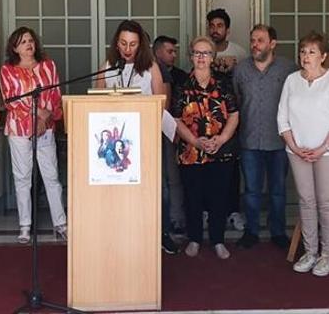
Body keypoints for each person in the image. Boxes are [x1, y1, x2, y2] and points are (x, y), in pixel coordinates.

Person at [94, 21, 173, 252]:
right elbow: (95, 101)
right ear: (116, 43)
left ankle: (161, 233)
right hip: (115, 141)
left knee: (158, 188)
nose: (127, 49)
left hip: (145, 138)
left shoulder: (150, 66)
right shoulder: (108, 65)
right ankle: (119, 234)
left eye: (133, 44)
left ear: (141, 45)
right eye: (123, 43)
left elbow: (162, 103)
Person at [278, 32, 329, 277]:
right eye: (302, 51)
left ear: (323, 56)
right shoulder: (291, 80)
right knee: (306, 201)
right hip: (297, 151)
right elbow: (282, 117)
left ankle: (327, 254)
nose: (305, 56)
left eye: (311, 52)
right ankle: (310, 251)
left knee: (327, 202)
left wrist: (322, 148)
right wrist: (295, 146)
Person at [173, 36, 239, 260]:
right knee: (193, 197)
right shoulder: (182, 84)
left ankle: (218, 240)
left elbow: (234, 114)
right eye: (197, 53)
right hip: (191, 151)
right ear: (191, 56)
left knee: (218, 197)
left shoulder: (223, 83)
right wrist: (195, 141)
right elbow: (175, 118)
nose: (201, 57)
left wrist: (220, 139)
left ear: (213, 57)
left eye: (206, 53)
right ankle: (194, 238)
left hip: (220, 150)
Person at [0, 28, 67, 244]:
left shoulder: (48, 66)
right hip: (19, 129)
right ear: (15, 48)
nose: (28, 44)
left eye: (30, 40)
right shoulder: (7, 70)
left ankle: (60, 223)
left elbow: (56, 96)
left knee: (51, 175)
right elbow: (11, 99)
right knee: (22, 177)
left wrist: (46, 117)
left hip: (45, 127)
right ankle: (25, 225)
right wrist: (37, 115)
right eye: (23, 42)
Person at [233, 25, 296, 250]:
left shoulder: (289, 69)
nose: (254, 45)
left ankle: (278, 232)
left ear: (272, 43)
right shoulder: (240, 70)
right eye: (252, 40)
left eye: (260, 40)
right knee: (251, 190)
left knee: (278, 190)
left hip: (279, 141)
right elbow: (236, 103)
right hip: (249, 140)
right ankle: (251, 231)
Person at [206, 8, 247, 232]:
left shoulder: (239, 53)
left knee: (232, 169)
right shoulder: (201, 50)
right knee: (206, 168)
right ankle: (207, 211)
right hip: (206, 120)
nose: (215, 30)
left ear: (228, 30)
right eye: (212, 26)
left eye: (219, 26)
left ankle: (233, 211)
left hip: (232, 119)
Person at [154, 35, 187, 235]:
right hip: (145, 130)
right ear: (157, 51)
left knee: (172, 176)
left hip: (169, 128)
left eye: (175, 51)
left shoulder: (175, 75)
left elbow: (164, 104)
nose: (174, 55)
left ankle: (175, 219)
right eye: (169, 51)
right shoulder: (149, 69)